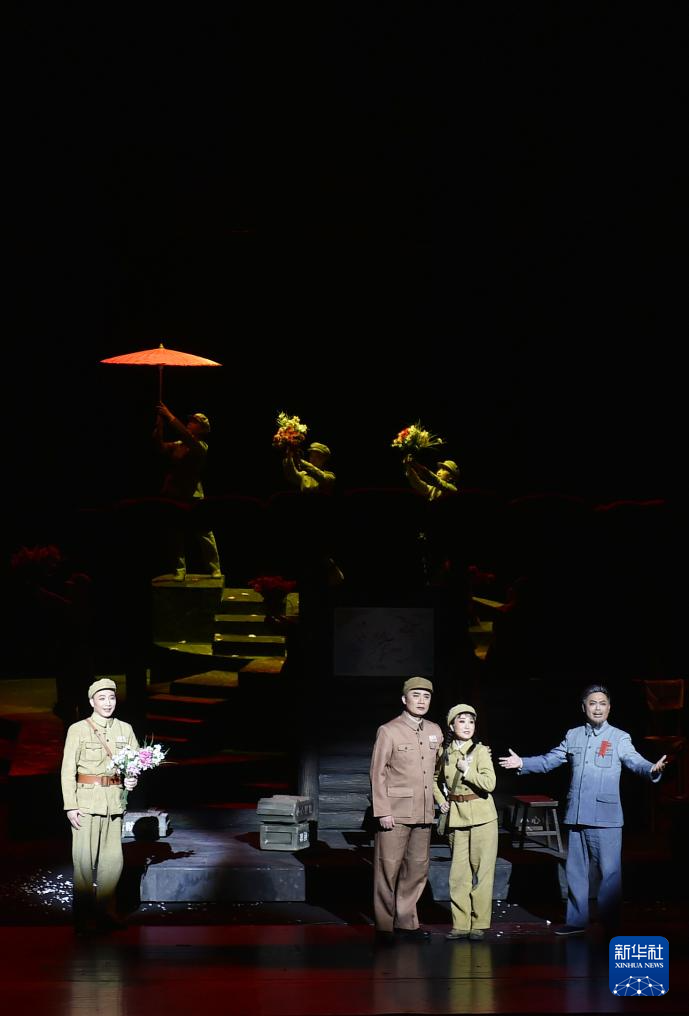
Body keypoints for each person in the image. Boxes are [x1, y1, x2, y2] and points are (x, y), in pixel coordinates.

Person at [498, 683, 667, 936]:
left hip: (606, 817)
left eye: (602, 704)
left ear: (609, 708)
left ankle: (610, 924)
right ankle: (576, 921)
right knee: (576, 871)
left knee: (610, 874)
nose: (597, 708)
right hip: (577, 814)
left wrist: (651, 768)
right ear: (584, 707)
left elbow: (634, 760)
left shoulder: (619, 737)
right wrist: (523, 762)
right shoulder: (573, 735)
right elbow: (550, 760)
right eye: (592, 703)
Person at [60, 678, 139, 933]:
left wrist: (132, 778)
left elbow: (135, 764)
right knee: (84, 863)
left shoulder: (125, 729)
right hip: (85, 804)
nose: (107, 703)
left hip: (113, 803)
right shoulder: (78, 729)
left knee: (112, 862)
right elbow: (67, 771)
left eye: (111, 698)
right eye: (102, 698)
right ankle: (83, 917)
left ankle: (106, 912)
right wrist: (70, 805)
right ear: (91, 701)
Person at [370, 676, 444, 944]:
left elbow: (438, 771)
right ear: (404, 699)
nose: (421, 701)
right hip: (395, 812)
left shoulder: (435, 730)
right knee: (387, 869)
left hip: (423, 812)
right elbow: (377, 773)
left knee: (417, 869)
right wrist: (382, 811)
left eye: (426, 696)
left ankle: (407, 923)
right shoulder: (389, 730)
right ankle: (384, 927)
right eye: (416, 695)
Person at [434, 703, 498, 941]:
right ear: (451, 726)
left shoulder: (480, 751)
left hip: (483, 817)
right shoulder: (444, 752)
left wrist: (467, 771)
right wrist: (441, 800)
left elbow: (490, 784)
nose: (467, 726)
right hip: (457, 817)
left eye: (471, 721)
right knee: (458, 874)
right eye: (461, 721)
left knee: (483, 873)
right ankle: (460, 924)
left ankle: (479, 924)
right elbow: (434, 779)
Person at [152, 401, 221, 581]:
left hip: (194, 495)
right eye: (190, 420)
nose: (190, 423)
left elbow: (185, 434)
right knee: (175, 533)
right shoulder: (180, 443)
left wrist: (168, 415)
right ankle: (179, 569)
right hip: (175, 494)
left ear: (202, 429)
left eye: (194, 422)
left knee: (204, 532)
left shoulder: (201, 446)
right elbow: (161, 448)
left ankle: (214, 568)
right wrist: (159, 429)